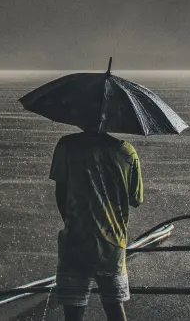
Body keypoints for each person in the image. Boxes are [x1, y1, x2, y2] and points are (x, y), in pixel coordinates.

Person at [48, 128, 144, 321]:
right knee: (114, 306)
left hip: (76, 241)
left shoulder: (67, 146)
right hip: (113, 243)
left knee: (73, 312)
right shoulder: (127, 152)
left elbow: (61, 193)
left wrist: (72, 222)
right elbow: (136, 199)